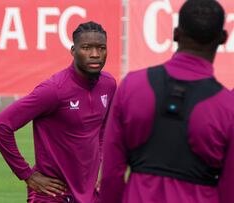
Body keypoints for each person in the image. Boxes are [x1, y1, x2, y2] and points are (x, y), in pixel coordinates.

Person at [98, 1, 234, 203]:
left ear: (176, 33)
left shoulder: (131, 86)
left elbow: (111, 176)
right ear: (223, 38)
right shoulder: (227, 106)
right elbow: (229, 188)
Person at [0, 21, 116, 203]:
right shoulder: (54, 90)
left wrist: (100, 166)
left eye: (101, 48)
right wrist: (27, 175)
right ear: (73, 50)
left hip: (89, 193)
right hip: (53, 195)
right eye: (86, 48)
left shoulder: (109, 84)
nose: (95, 54)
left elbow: (103, 129)